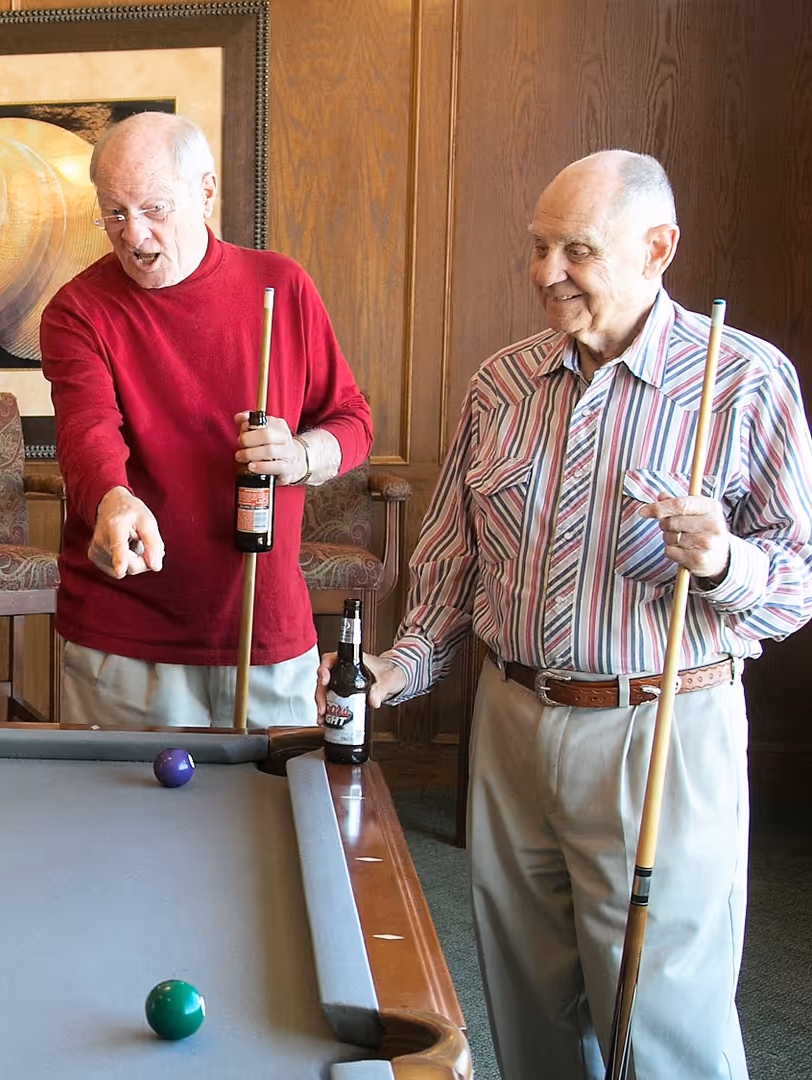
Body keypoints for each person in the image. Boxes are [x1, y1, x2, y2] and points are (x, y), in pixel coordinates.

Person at [326, 151, 812, 1079]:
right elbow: (454, 554)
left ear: (658, 247)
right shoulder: (501, 382)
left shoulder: (744, 381)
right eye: (539, 246)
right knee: (531, 1004)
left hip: (659, 724)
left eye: (577, 250)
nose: (549, 273)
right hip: (509, 722)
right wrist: (407, 660)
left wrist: (721, 561)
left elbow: (797, 583)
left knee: (664, 1024)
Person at [39, 112, 373, 729]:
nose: (133, 234)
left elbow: (352, 421)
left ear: (206, 192)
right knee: (120, 826)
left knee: (271, 820)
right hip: (126, 635)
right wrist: (112, 498)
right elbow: (87, 431)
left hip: (264, 627)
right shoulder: (76, 311)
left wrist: (300, 456)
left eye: (154, 208)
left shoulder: (283, 286)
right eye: (113, 212)